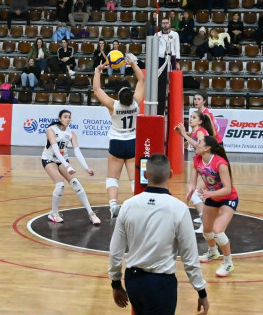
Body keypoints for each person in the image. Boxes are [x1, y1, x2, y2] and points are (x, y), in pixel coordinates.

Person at [109, 153, 209, 315]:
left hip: (134, 281)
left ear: (145, 175)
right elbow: (190, 257)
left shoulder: (128, 205)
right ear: (171, 174)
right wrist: (201, 290)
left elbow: (116, 250)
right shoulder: (179, 209)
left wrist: (116, 283)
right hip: (161, 284)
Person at [93, 56, 145, 220]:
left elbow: (97, 89)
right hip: (132, 142)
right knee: (134, 179)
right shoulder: (136, 103)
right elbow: (141, 80)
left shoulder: (113, 105)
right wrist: (133, 65)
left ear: (119, 97)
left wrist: (98, 71)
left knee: (112, 178)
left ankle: (113, 205)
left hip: (116, 143)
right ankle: (139, 208)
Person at [186, 136, 238, 277]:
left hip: (228, 198)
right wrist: (190, 191)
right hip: (212, 197)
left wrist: (210, 193)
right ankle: (213, 252)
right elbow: (192, 183)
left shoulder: (220, 163)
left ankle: (228, 263)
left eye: (199, 142)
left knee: (218, 232)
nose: (195, 144)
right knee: (207, 231)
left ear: (207, 148)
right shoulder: (196, 160)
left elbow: (228, 189)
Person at [41, 109, 100, 225]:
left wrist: (86, 168)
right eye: (65, 117)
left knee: (76, 184)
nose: (68, 119)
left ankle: (91, 213)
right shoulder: (51, 130)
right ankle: (53, 213)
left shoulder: (71, 133)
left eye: (69, 117)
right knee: (60, 185)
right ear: (59, 118)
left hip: (62, 160)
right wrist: (67, 165)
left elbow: (77, 151)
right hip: (49, 159)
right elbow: (56, 150)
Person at [174, 113, 216, 226]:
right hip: (203, 163)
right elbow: (191, 136)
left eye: (194, 117)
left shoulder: (201, 132)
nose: (191, 119)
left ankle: (206, 223)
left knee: (196, 195)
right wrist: (181, 133)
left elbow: (199, 145)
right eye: (190, 117)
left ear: (200, 121)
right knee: (200, 194)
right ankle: (205, 217)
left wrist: (184, 134)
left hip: (209, 164)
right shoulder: (195, 132)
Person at [155, 18, 181, 115]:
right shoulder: (157, 35)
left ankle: (172, 107)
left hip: (172, 58)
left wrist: (177, 61)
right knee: (161, 84)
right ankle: (160, 109)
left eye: (167, 23)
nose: (165, 25)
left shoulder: (175, 34)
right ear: (161, 24)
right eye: (163, 23)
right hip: (160, 59)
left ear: (169, 24)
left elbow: (177, 48)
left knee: (171, 81)